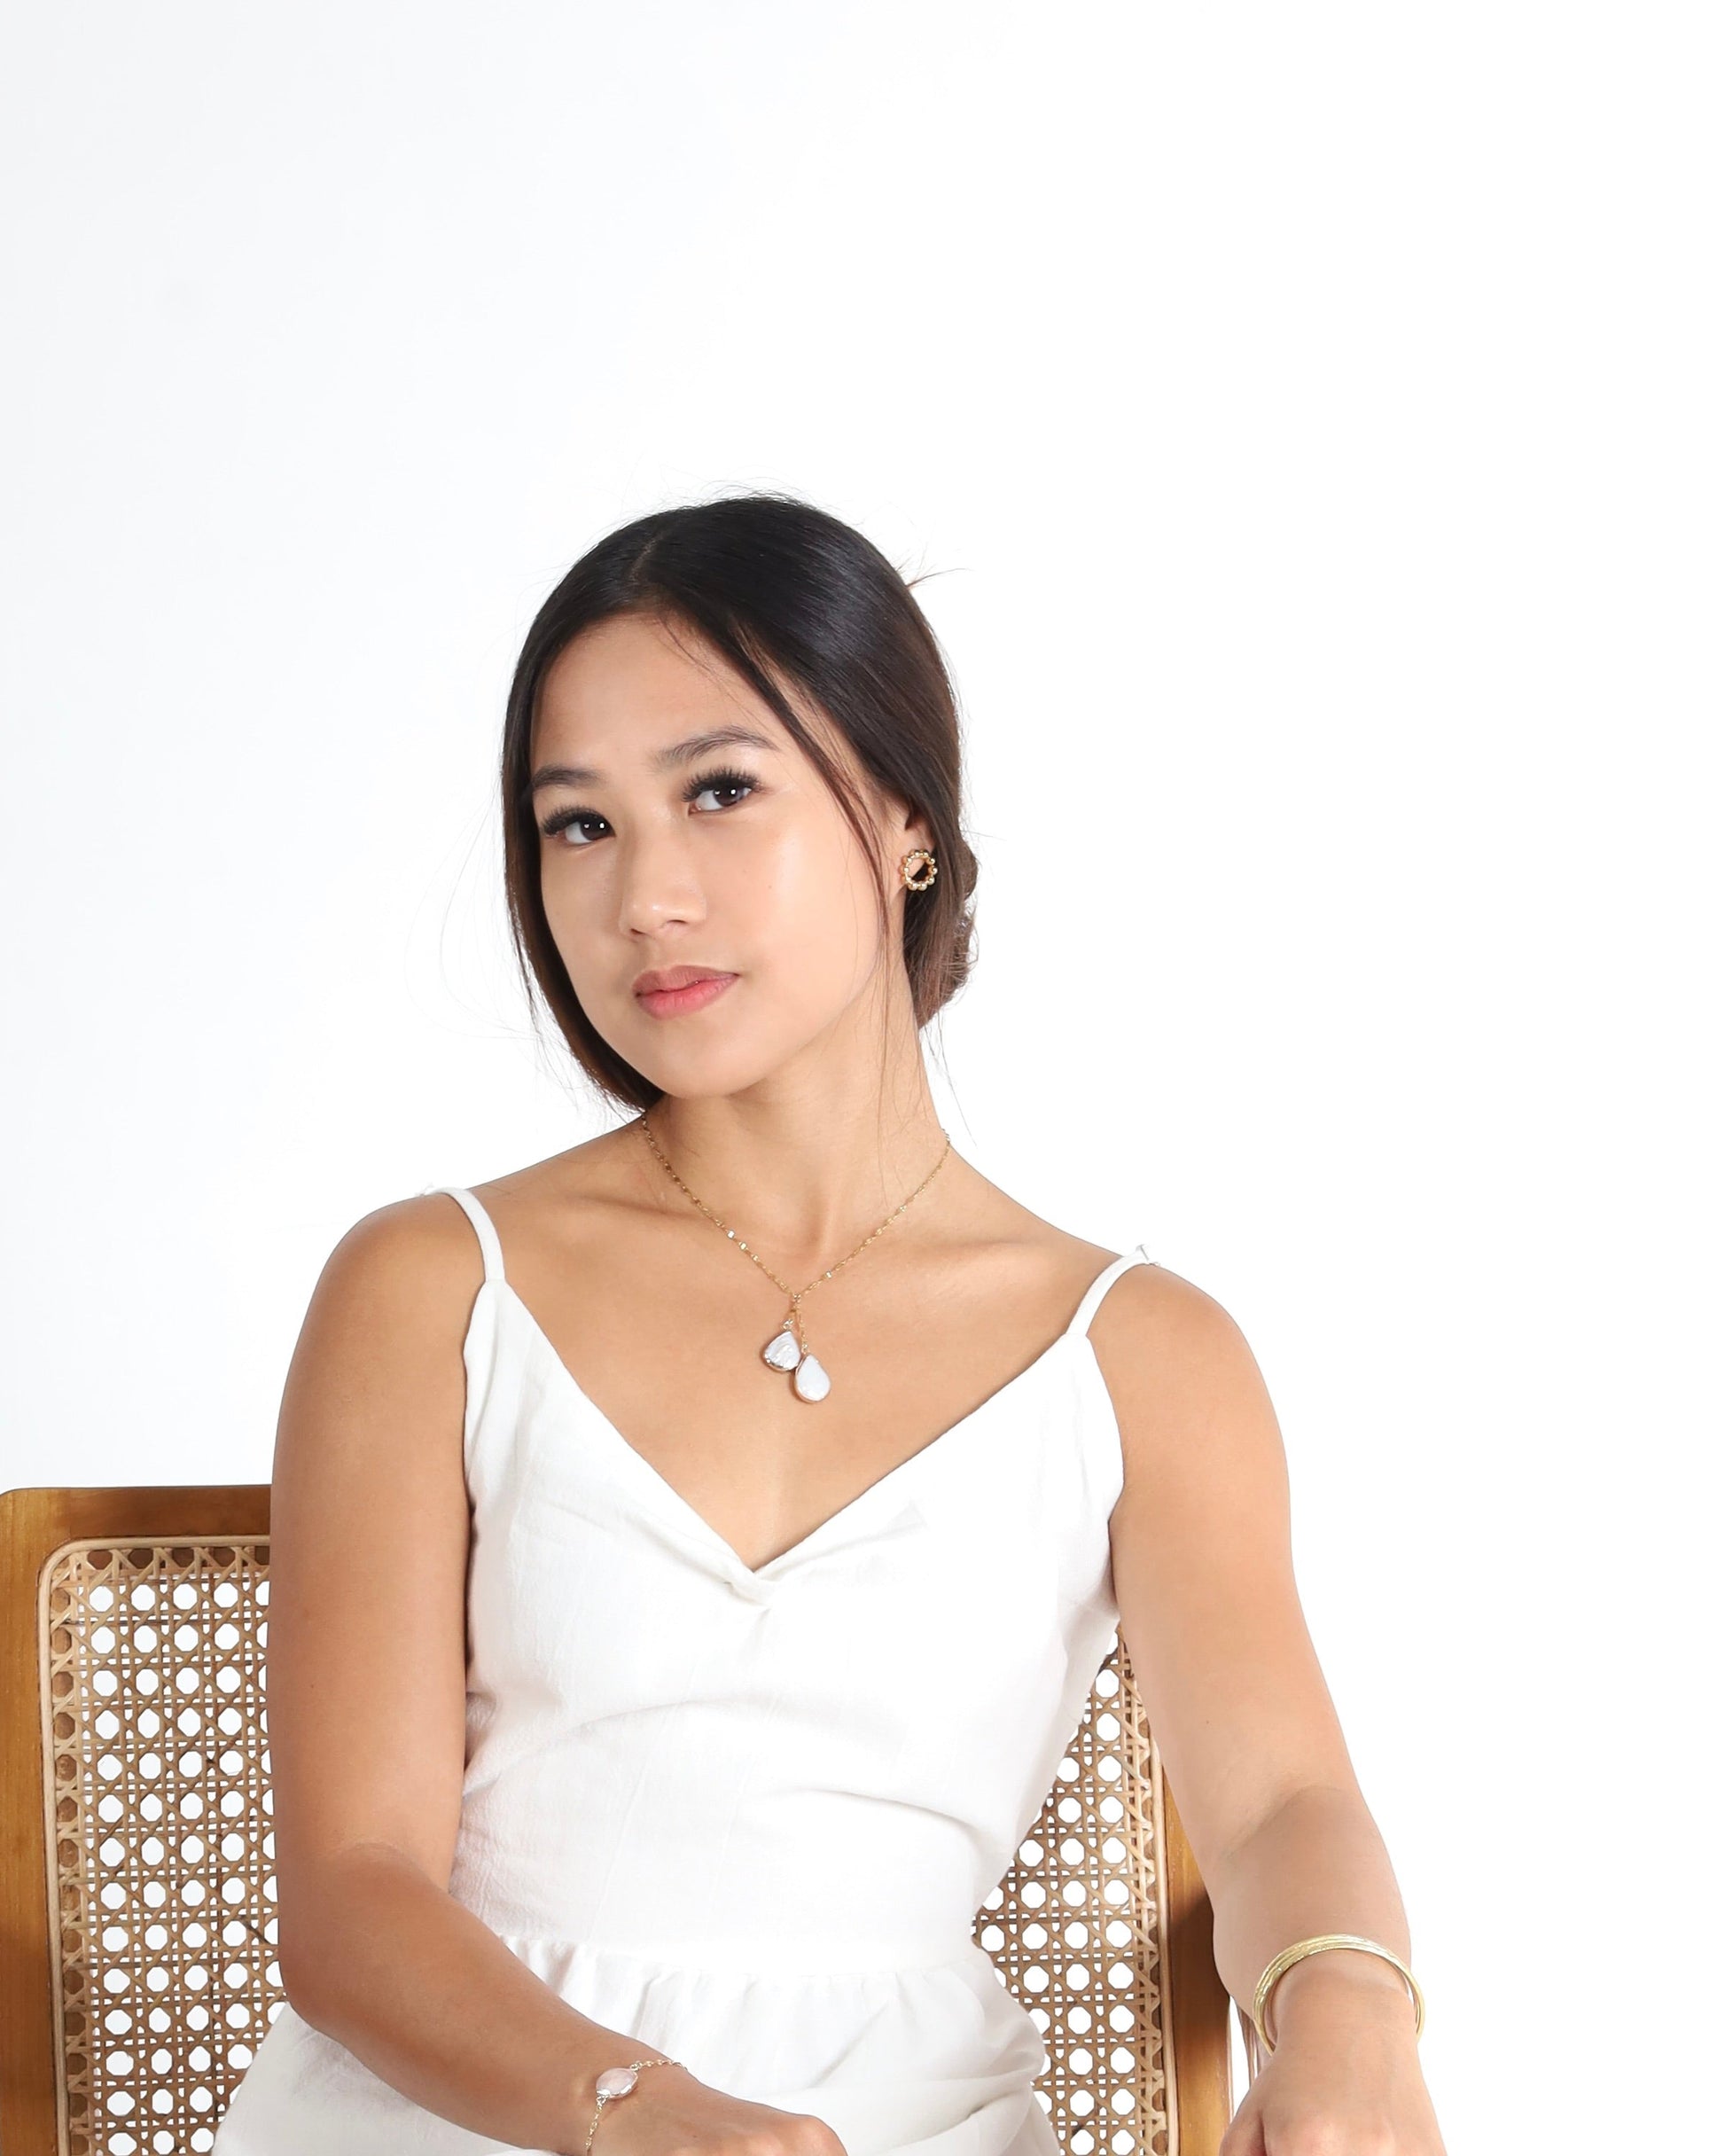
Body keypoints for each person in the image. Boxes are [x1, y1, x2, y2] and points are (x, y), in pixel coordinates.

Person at [211, 492, 1448, 2156]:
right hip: (474, 2117)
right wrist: (633, 2111)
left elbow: (1283, 1801)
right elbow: (353, 1891)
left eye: (720, 791)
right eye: (577, 824)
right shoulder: (429, 1285)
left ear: (902, 817)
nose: (645, 896)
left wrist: (1350, 2017)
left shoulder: (1139, 1355)